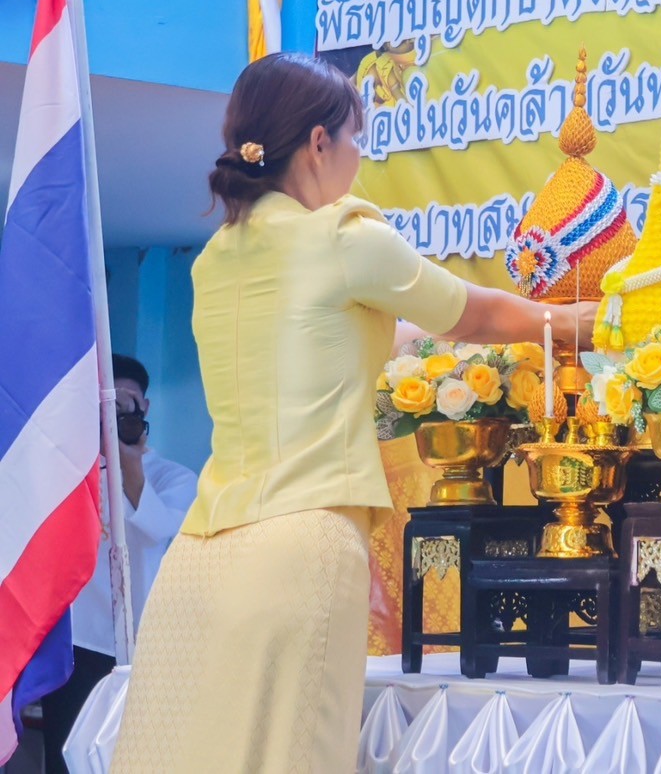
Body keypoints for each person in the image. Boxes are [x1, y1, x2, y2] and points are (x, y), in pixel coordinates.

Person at [109, 53, 596, 773]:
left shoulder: (217, 258)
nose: (359, 157)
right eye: (356, 138)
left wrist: (413, 339)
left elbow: (327, 340)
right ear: (318, 142)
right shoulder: (344, 237)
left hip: (200, 560)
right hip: (298, 545)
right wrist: (578, 322)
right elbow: (476, 314)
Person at [37, 354, 196, 774]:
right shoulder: (72, 470)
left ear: (146, 407)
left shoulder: (174, 476)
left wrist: (130, 462)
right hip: (77, 639)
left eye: (127, 402)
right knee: (65, 751)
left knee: (130, 756)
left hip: (140, 643)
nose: (118, 411)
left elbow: (157, 529)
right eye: (108, 402)